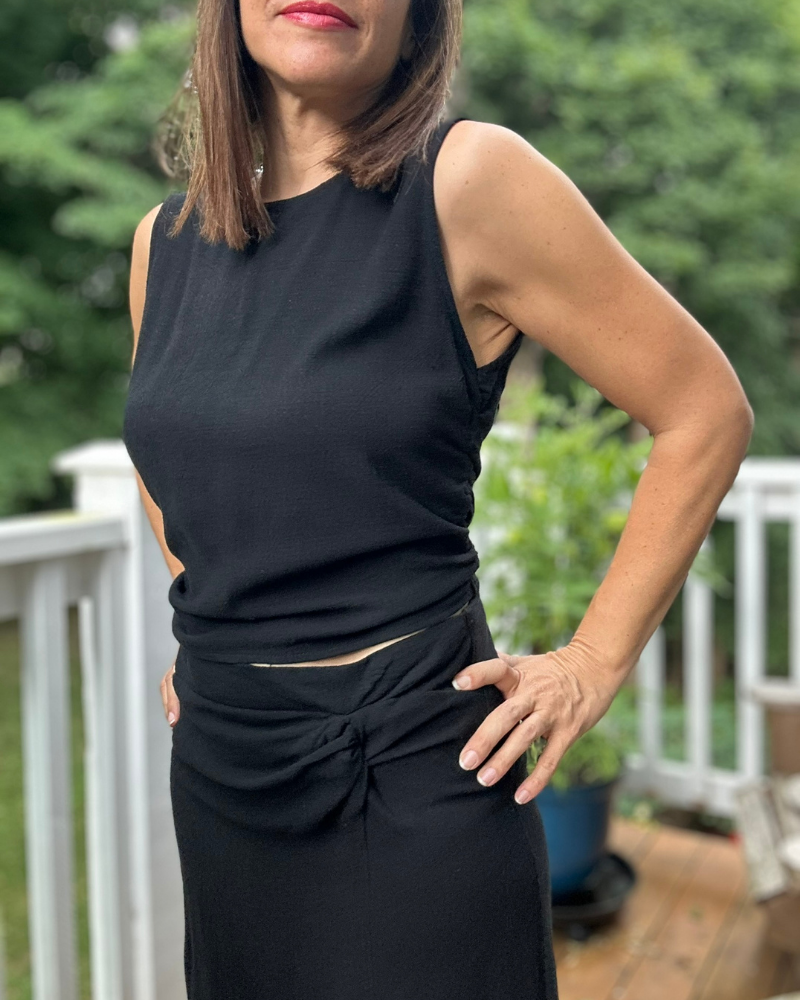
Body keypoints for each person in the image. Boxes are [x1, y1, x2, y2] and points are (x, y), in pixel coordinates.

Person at [122, 0, 754, 996]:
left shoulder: (467, 180)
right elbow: (171, 454)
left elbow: (702, 411)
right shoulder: (162, 242)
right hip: (223, 770)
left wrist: (590, 662)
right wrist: (222, 609)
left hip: (413, 773)